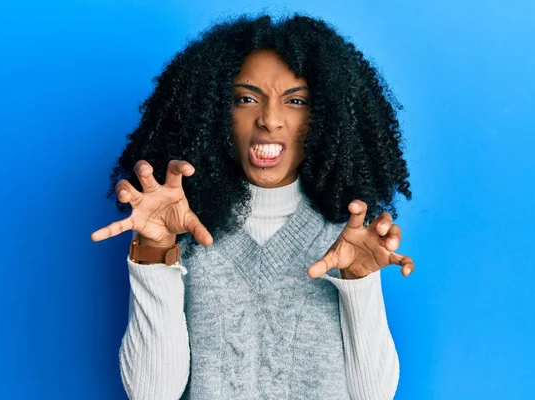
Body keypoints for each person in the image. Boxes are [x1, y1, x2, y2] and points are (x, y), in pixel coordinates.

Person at [91, 13, 415, 400]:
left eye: (295, 101)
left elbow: (375, 395)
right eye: (246, 99)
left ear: (325, 118)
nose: (269, 120)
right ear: (214, 114)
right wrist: (155, 250)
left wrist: (359, 283)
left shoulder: (345, 238)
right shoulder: (186, 230)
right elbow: (151, 392)